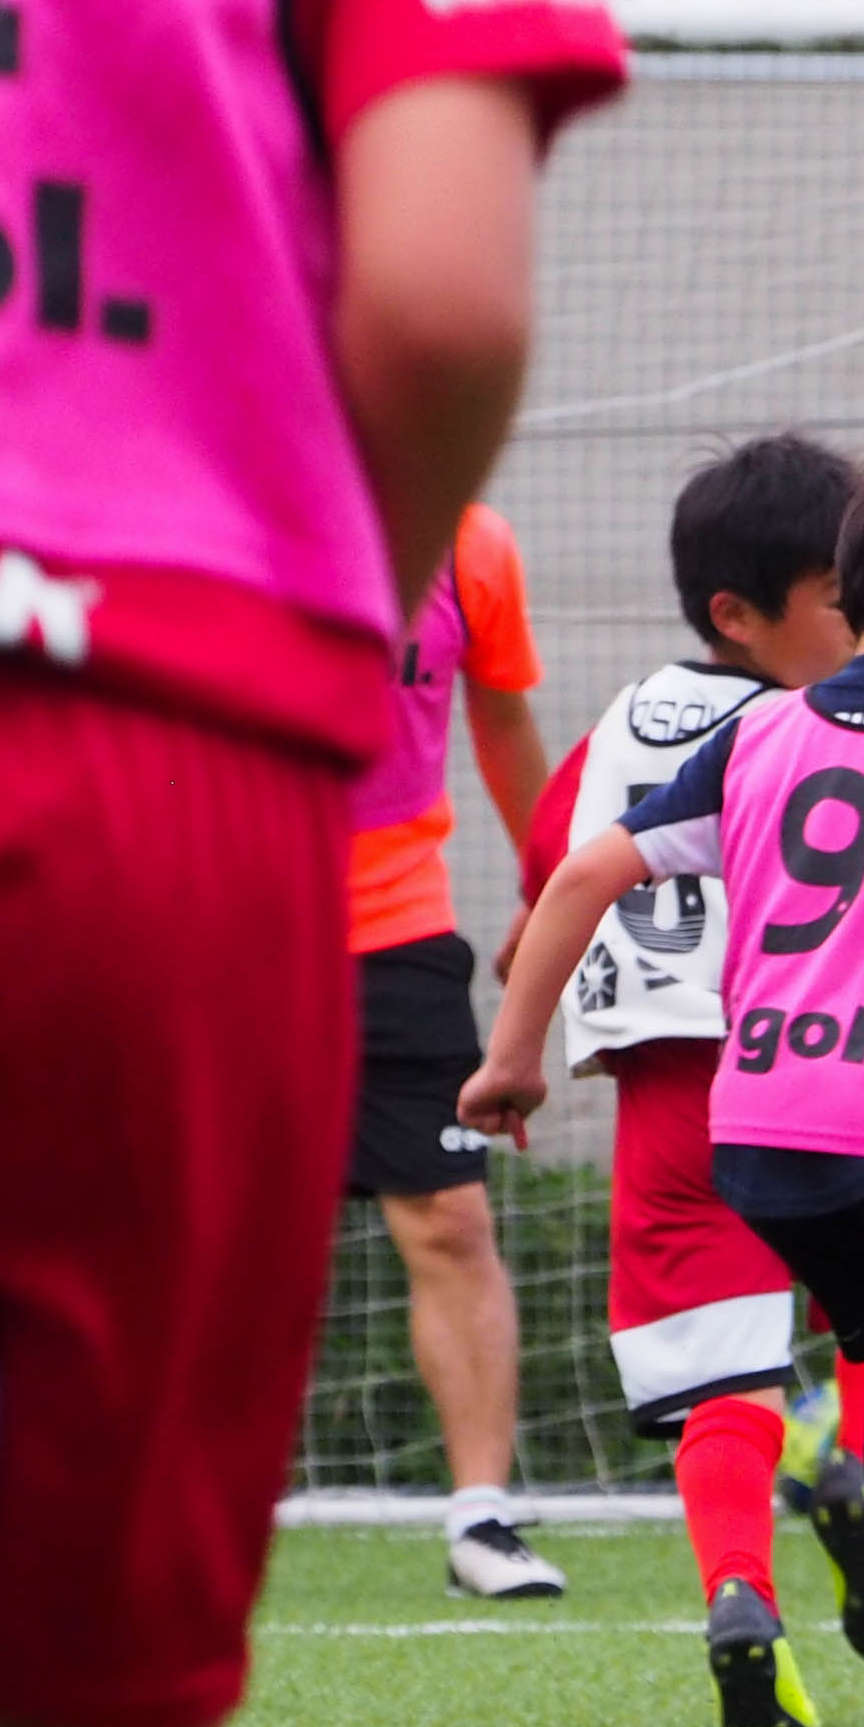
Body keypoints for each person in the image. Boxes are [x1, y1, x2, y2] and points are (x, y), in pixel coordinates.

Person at [0, 0, 623, 1727]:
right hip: (140, 750)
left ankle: (475, 1502)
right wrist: (335, 564)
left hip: (298, 850)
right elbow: (444, 294)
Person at [469, 448, 864, 1727]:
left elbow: (578, 871)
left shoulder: (732, 732)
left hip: (746, 1120)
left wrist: (513, 1052)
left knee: (850, 1359)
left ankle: (857, 1603)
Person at [515, 435, 864, 1727]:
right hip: (809, 1061)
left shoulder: (617, 721)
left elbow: (553, 867)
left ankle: (741, 1597)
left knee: (719, 1376)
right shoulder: (811, 724)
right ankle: (848, 1462)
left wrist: (516, 1016)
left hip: (662, 1092)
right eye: (841, 593)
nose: (861, 618)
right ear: (743, 613)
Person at [350, 494, 565, 1597]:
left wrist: (549, 880)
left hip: (396, 930)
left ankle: (481, 1514)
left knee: (451, 1218)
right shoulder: (204, 497)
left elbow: (503, 720)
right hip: (220, 918)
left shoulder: (473, 536)